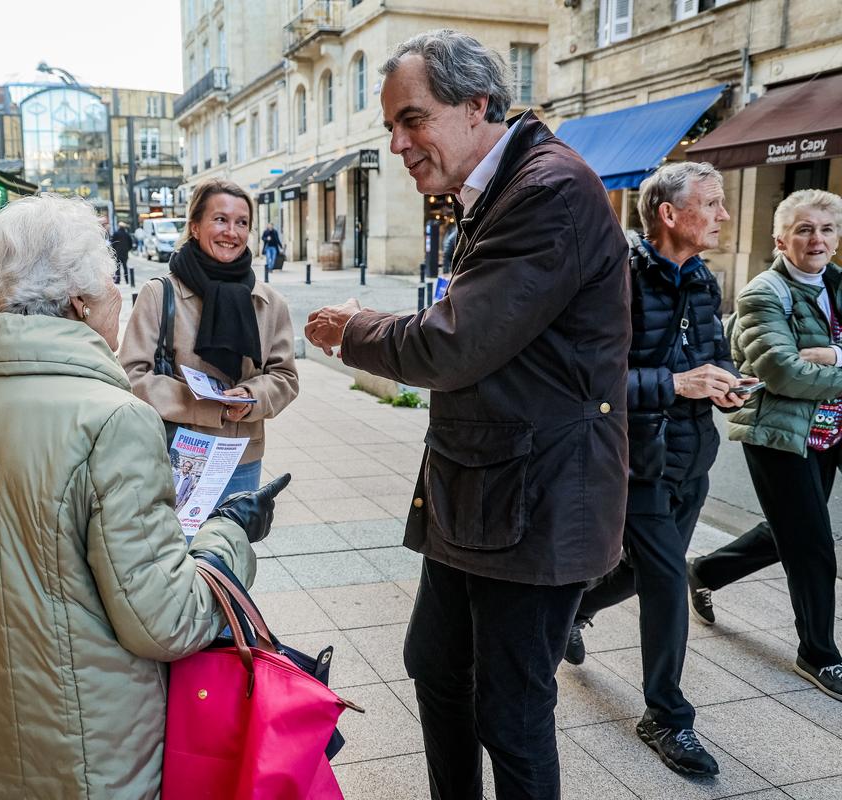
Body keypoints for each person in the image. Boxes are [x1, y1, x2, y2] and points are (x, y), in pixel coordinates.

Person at [304, 31, 630, 799]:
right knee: (436, 665)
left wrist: (353, 329)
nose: (396, 144)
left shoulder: (546, 189)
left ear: (478, 104)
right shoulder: (498, 187)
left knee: (511, 713)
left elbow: (456, 341)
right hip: (483, 492)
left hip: (537, 501)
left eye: (412, 120)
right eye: (391, 126)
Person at [0, 193, 288, 799]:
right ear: (80, 302)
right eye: (112, 285)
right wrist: (226, 535)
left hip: (1, 731)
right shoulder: (113, 421)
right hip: (99, 746)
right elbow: (164, 621)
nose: (119, 299)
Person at [563, 163, 754, 776]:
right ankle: (667, 717)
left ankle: (573, 610)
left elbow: (711, 358)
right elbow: (587, 382)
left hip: (691, 458)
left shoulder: (703, 280)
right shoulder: (616, 276)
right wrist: (677, 383)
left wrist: (723, 383)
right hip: (633, 460)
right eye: (713, 203)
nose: (723, 215)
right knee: (670, 580)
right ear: (669, 215)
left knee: (645, 574)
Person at [688, 189, 842, 702]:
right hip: (778, 432)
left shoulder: (837, 285)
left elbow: (813, 368)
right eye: (803, 229)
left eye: (825, 229)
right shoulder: (763, 293)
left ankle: (706, 570)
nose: (815, 239)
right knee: (812, 543)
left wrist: (832, 357)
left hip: (826, 430)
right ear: (780, 238)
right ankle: (818, 653)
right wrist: (824, 362)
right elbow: (782, 371)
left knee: (791, 528)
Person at [120, 179, 299, 497]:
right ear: (195, 226)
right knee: (178, 546)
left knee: (232, 545)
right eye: (220, 219)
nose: (232, 232)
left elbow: (284, 377)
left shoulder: (270, 303)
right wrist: (206, 405)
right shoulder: (160, 295)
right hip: (177, 454)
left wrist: (250, 396)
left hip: (242, 457)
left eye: (242, 222)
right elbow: (131, 377)